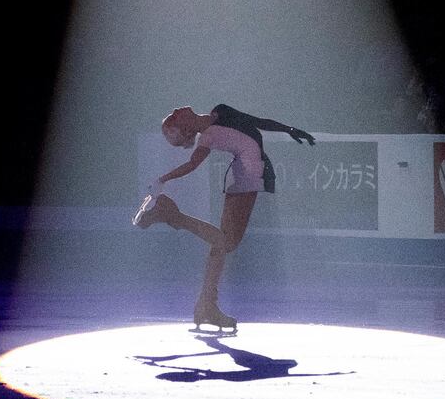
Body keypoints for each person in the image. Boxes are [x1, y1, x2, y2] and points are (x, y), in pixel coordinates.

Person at [133, 103, 316, 330]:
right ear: (187, 130)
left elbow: (256, 121)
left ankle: (206, 305)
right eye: (174, 117)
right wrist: (163, 179)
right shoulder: (207, 138)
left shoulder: (220, 113)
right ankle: (173, 217)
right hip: (247, 177)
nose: (176, 110)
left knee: (219, 244)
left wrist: (288, 129)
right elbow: (192, 164)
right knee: (224, 242)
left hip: (243, 174)